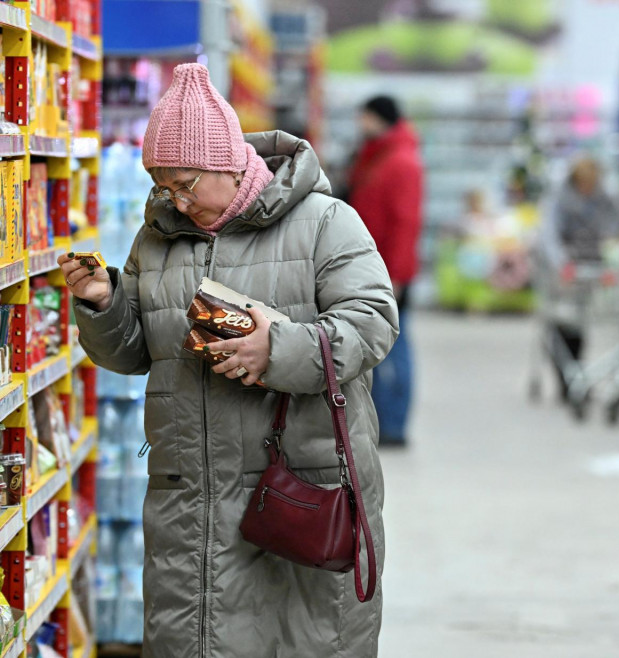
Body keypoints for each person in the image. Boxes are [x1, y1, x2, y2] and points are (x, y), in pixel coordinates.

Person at [59, 64, 398, 658]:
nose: (176, 199)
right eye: (163, 185)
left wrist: (281, 348)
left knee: (301, 640)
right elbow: (138, 353)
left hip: (297, 491)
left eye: (186, 181)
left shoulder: (323, 223)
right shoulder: (155, 241)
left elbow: (372, 322)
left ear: (231, 162)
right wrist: (104, 304)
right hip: (190, 503)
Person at [347, 95, 423, 446]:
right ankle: (384, 421)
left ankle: (395, 424)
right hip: (370, 267)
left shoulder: (401, 162)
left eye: (364, 117)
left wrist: (395, 276)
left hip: (387, 273)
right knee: (382, 346)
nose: (360, 124)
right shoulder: (378, 155)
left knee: (395, 346)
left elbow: (406, 223)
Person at [542, 156, 619, 399]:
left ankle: (575, 375)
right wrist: (561, 263)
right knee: (561, 322)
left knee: (579, 322)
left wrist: (612, 262)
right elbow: (549, 234)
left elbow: (613, 230)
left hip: (589, 267)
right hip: (564, 268)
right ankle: (566, 378)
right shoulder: (560, 198)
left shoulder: (604, 199)